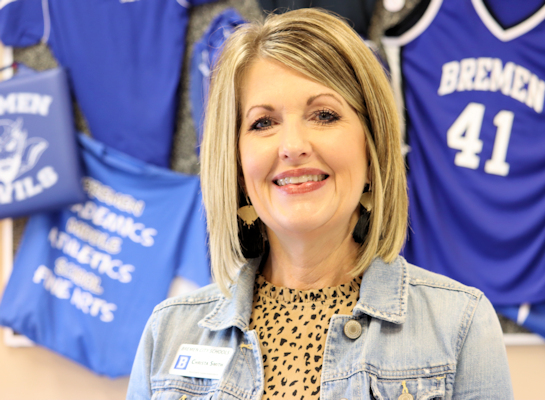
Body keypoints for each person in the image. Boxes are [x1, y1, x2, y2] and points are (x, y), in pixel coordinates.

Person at [127, 8, 513, 400]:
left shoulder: (459, 325)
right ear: (238, 165)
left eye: (324, 115)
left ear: (372, 150)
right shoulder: (168, 332)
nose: (293, 146)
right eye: (263, 122)